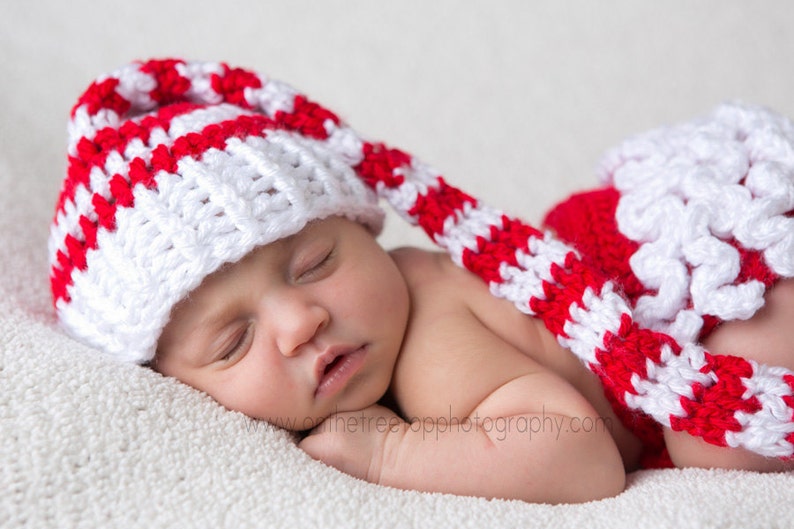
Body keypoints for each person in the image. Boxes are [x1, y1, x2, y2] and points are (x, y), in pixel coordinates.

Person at [49, 59, 794, 505]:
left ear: (370, 231)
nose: (300, 321)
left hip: (719, 264)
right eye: (234, 339)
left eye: (317, 263)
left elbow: (578, 451)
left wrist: (393, 455)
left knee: (722, 442)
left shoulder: (427, 336)